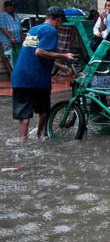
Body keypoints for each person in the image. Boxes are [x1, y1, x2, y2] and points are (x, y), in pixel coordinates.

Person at [11, 7, 74, 142]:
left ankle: (23, 142)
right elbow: (40, 52)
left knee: (24, 116)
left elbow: (34, 53)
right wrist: (64, 56)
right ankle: (40, 136)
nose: (61, 25)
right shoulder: (51, 31)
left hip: (20, 77)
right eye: (62, 22)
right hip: (37, 78)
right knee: (44, 111)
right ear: (58, 20)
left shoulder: (34, 29)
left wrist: (59, 66)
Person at [0, 0, 22, 74]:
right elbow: (3, 28)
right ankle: (12, 75)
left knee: (17, 58)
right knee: (9, 58)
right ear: (5, 7)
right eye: (8, 6)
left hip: (17, 40)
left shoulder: (16, 15)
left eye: (11, 6)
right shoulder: (2, 15)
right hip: (7, 41)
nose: (10, 8)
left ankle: (17, 75)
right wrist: (11, 37)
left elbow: (19, 26)